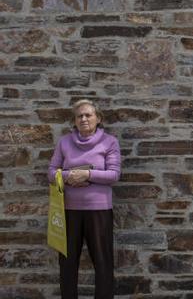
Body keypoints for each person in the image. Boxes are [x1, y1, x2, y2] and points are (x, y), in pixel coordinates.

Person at [48, 99, 121, 299]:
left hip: (99, 211)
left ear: (98, 118)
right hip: (69, 210)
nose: (84, 118)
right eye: (79, 116)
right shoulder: (64, 142)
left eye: (88, 115)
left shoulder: (110, 142)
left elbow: (114, 175)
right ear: (74, 120)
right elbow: (51, 173)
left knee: (103, 262)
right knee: (67, 262)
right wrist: (69, 176)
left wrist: (88, 175)